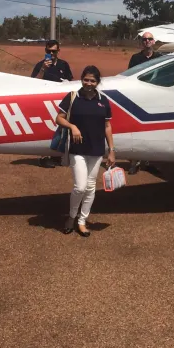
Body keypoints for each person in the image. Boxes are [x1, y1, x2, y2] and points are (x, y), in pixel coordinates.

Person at [55, 65, 116, 237]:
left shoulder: (103, 100)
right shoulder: (73, 97)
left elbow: (107, 126)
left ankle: (82, 221)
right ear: (82, 79)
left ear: (98, 82)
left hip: (96, 150)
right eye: (86, 79)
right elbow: (58, 118)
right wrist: (72, 126)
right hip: (78, 149)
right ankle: (71, 217)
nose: (89, 83)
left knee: (90, 187)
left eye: (93, 81)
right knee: (80, 187)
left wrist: (111, 150)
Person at [32, 40, 73, 167]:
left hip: (61, 102)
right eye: (48, 51)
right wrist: (43, 69)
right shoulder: (40, 65)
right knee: (44, 128)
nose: (51, 53)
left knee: (61, 129)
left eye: (54, 51)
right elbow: (33, 82)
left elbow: (71, 81)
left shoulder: (63, 65)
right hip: (44, 101)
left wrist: (67, 82)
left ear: (58, 51)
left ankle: (57, 154)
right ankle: (44, 156)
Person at [127, 31, 162, 175]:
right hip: (138, 99)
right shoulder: (135, 58)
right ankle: (134, 162)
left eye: (149, 39)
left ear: (154, 42)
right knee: (135, 130)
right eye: (144, 39)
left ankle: (148, 161)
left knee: (152, 131)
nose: (147, 41)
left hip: (153, 99)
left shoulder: (160, 58)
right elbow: (128, 77)